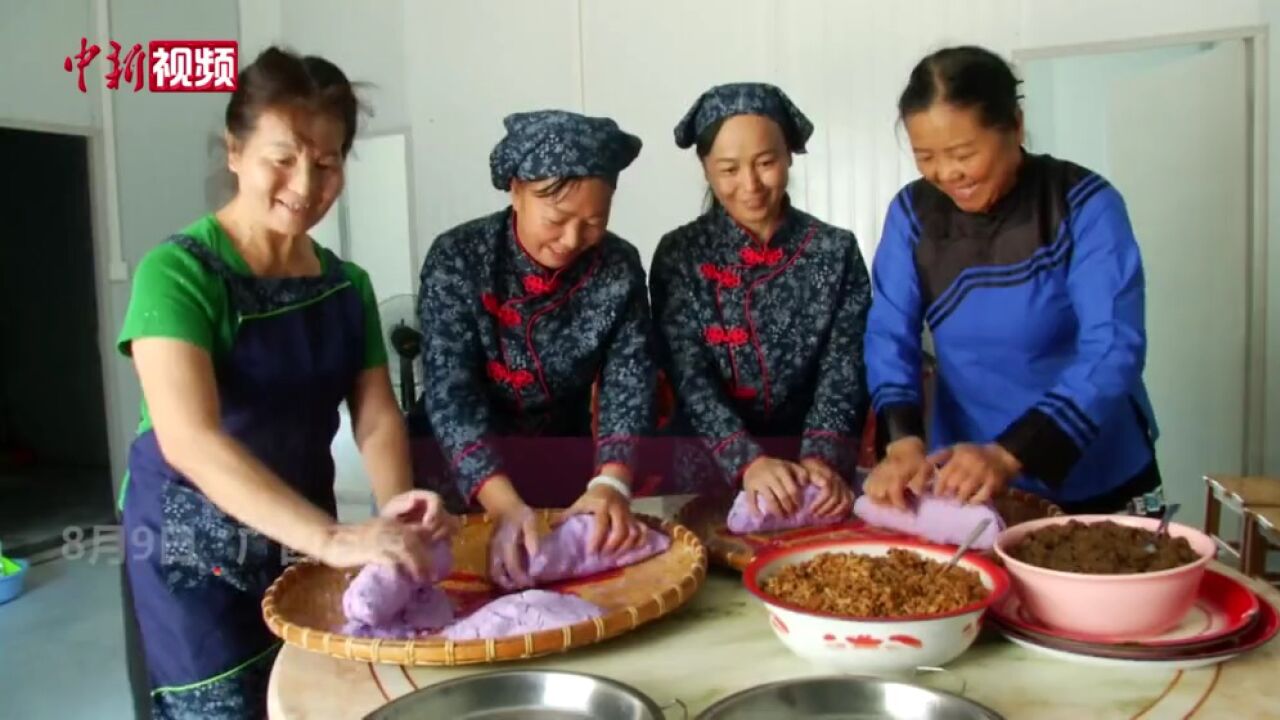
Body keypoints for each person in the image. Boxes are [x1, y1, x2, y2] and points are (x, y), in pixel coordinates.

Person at [116, 47, 454, 719]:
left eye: (327, 164)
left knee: (303, 700)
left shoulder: (343, 285)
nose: (306, 183)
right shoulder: (178, 273)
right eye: (283, 157)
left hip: (293, 542)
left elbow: (378, 417)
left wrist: (395, 512)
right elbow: (189, 438)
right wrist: (331, 539)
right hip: (188, 564)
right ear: (235, 151)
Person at [863, 46, 1164, 516]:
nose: (946, 173)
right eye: (926, 157)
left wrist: (1009, 453)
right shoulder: (912, 214)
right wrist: (903, 443)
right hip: (966, 482)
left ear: (1016, 126)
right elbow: (889, 334)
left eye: (964, 153)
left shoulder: (1082, 204)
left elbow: (1112, 348)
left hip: (1095, 471)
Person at [416, 110, 656, 587]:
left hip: (561, 467)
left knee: (568, 596)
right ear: (516, 190)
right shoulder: (460, 257)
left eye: (593, 222)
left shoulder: (618, 266)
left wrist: (611, 481)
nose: (572, 240)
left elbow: (629, 381)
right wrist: (502, 505)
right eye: (558, 218)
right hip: (457, 473)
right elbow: (451, 395)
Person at [650, 82, 870, 518]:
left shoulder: (833, 249)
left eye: (766, 162)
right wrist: (745, 460)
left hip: (814, 472)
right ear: (705, 167)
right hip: (707, 469)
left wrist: (821, 460)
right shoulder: (680, 254)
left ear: (789, 154)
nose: (750, 185)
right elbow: (689, 377)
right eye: (729, 169)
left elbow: (843, 367)